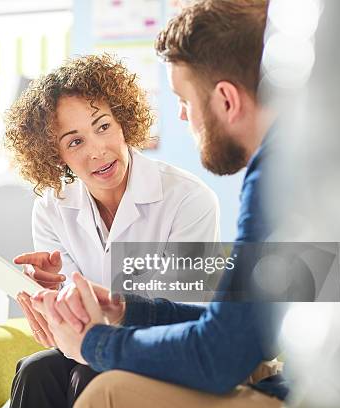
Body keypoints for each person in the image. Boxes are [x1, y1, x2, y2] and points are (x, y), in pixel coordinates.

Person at [29, 1, 287, 407]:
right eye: (75, 140)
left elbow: (219, 351)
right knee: (38, 372)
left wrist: (97, 343)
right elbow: (246, 326)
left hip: (296, 387)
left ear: (225, 99)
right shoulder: (294, 166)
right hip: (270, 371)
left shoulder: (275, 179)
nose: (183, 117)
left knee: (102, 388)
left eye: (184, 99)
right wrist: (123, 309)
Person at [3, 54, 220, 408]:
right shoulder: (51, 208)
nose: (97, 150)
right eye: (75, 142)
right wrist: (49, 298)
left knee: (90, 376)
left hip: (164, 353)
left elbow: (182, 316)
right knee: (33, 371)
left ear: (122, 121)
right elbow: (71, 329)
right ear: (56, 156)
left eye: (103, 126)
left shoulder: (188, 199)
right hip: (93, 347)